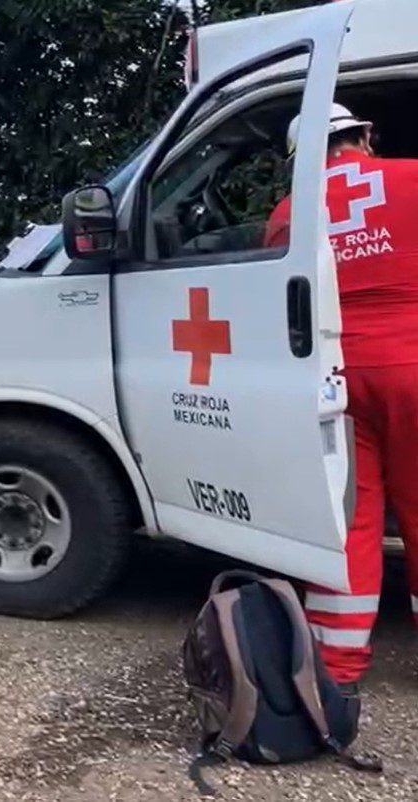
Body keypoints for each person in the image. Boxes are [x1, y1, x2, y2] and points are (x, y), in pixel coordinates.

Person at [264, 104, 418, 695]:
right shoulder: (411, 178)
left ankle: (336, 672)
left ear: (300, 161)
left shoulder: (288, 213)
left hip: (336, 382)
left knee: (349, 524)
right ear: (365, 137)